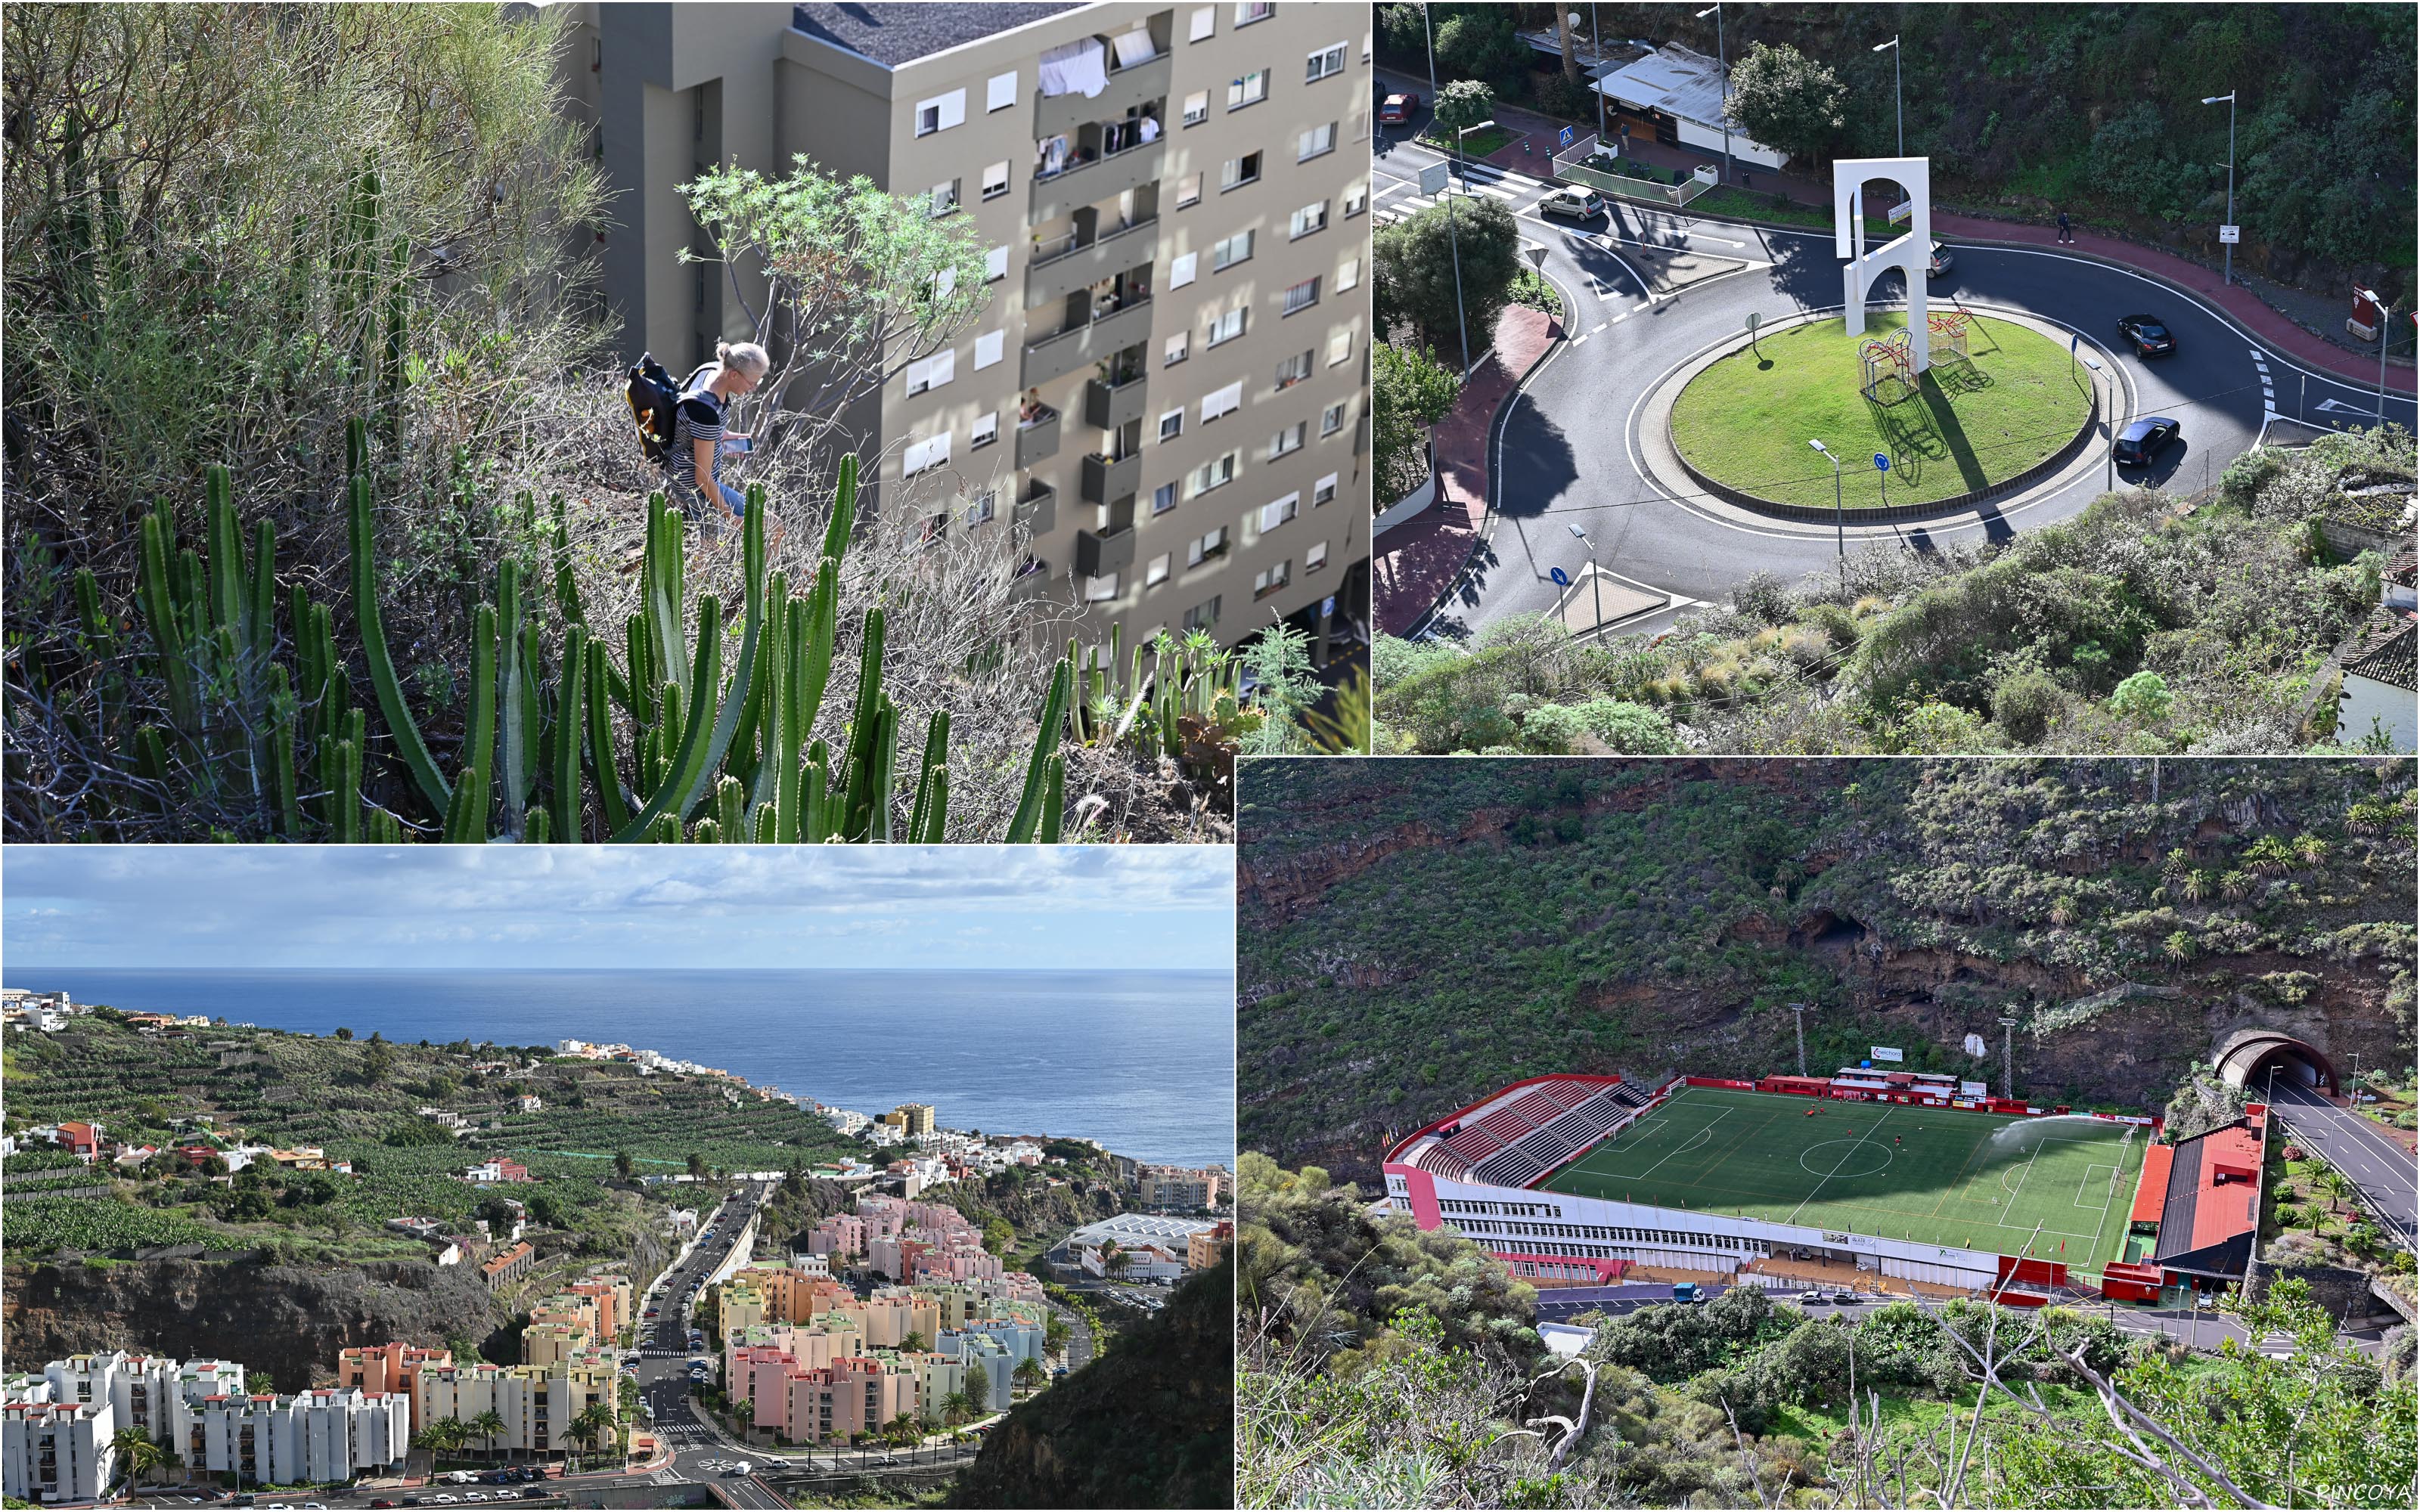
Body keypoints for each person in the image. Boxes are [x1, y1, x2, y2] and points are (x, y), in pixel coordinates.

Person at [665, 340, 767, 540]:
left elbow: (698, 431)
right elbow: (702, 478)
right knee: (770, 527)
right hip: (696, 485)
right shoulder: (704, 412)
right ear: (734, 374)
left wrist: (723, 437)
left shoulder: (711, 373)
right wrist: (730, 516)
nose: (754, 388)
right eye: (753, 382)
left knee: (710, 544)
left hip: (693, 477)